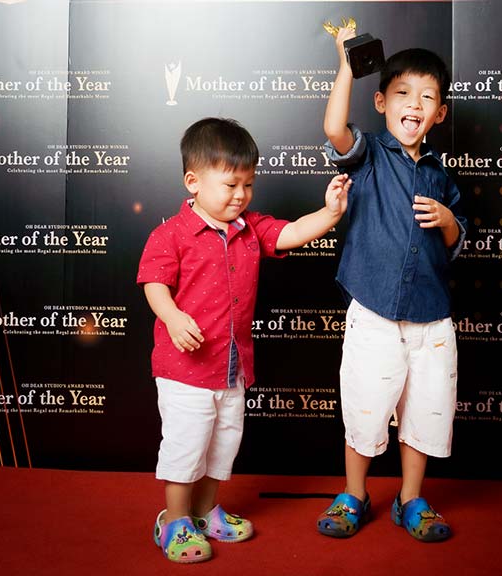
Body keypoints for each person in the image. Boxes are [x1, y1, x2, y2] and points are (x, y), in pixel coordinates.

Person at [137, 116, 351, 564]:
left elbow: (290, 233)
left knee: (221, 445)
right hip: (186, 370)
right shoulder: (170, 234)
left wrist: (331, 213)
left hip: (233, 368)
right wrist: (174, 317)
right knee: (187, 443)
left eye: (249, 185)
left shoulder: (251, 227)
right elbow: (154, 283)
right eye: (231, 184)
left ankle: (204, 510)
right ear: (193, 182)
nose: (241, 195)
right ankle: (173, 520)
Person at [316, 25, 466, 543]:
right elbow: (336, 127)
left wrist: (448, 219)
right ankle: (354, 494)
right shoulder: (370, 154)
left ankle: (411, 499)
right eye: (402, 93)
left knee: (424, 413)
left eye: (428, 97)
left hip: (432, 319)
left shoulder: (442, 175)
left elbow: (454, 241)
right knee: (364, 408)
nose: (414, 104)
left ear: (440, 113)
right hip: (375, 312)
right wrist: (345, 64)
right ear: (381, 101)